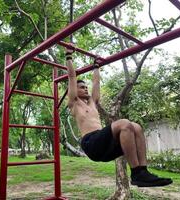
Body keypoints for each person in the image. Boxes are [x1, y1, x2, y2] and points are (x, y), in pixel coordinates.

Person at [65, 47, 172, 187]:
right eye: (82, 87)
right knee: (124, 123)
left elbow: (96, 82)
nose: (85, 89)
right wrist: (68, 55)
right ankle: (136, 172)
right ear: (74, 91)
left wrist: (96, 65)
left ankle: (143, 171)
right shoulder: (74, 104)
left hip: (104, 145)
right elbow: (72, 77)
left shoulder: (92, 103)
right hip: (91, 143)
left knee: (137, 127)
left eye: (86, 87)